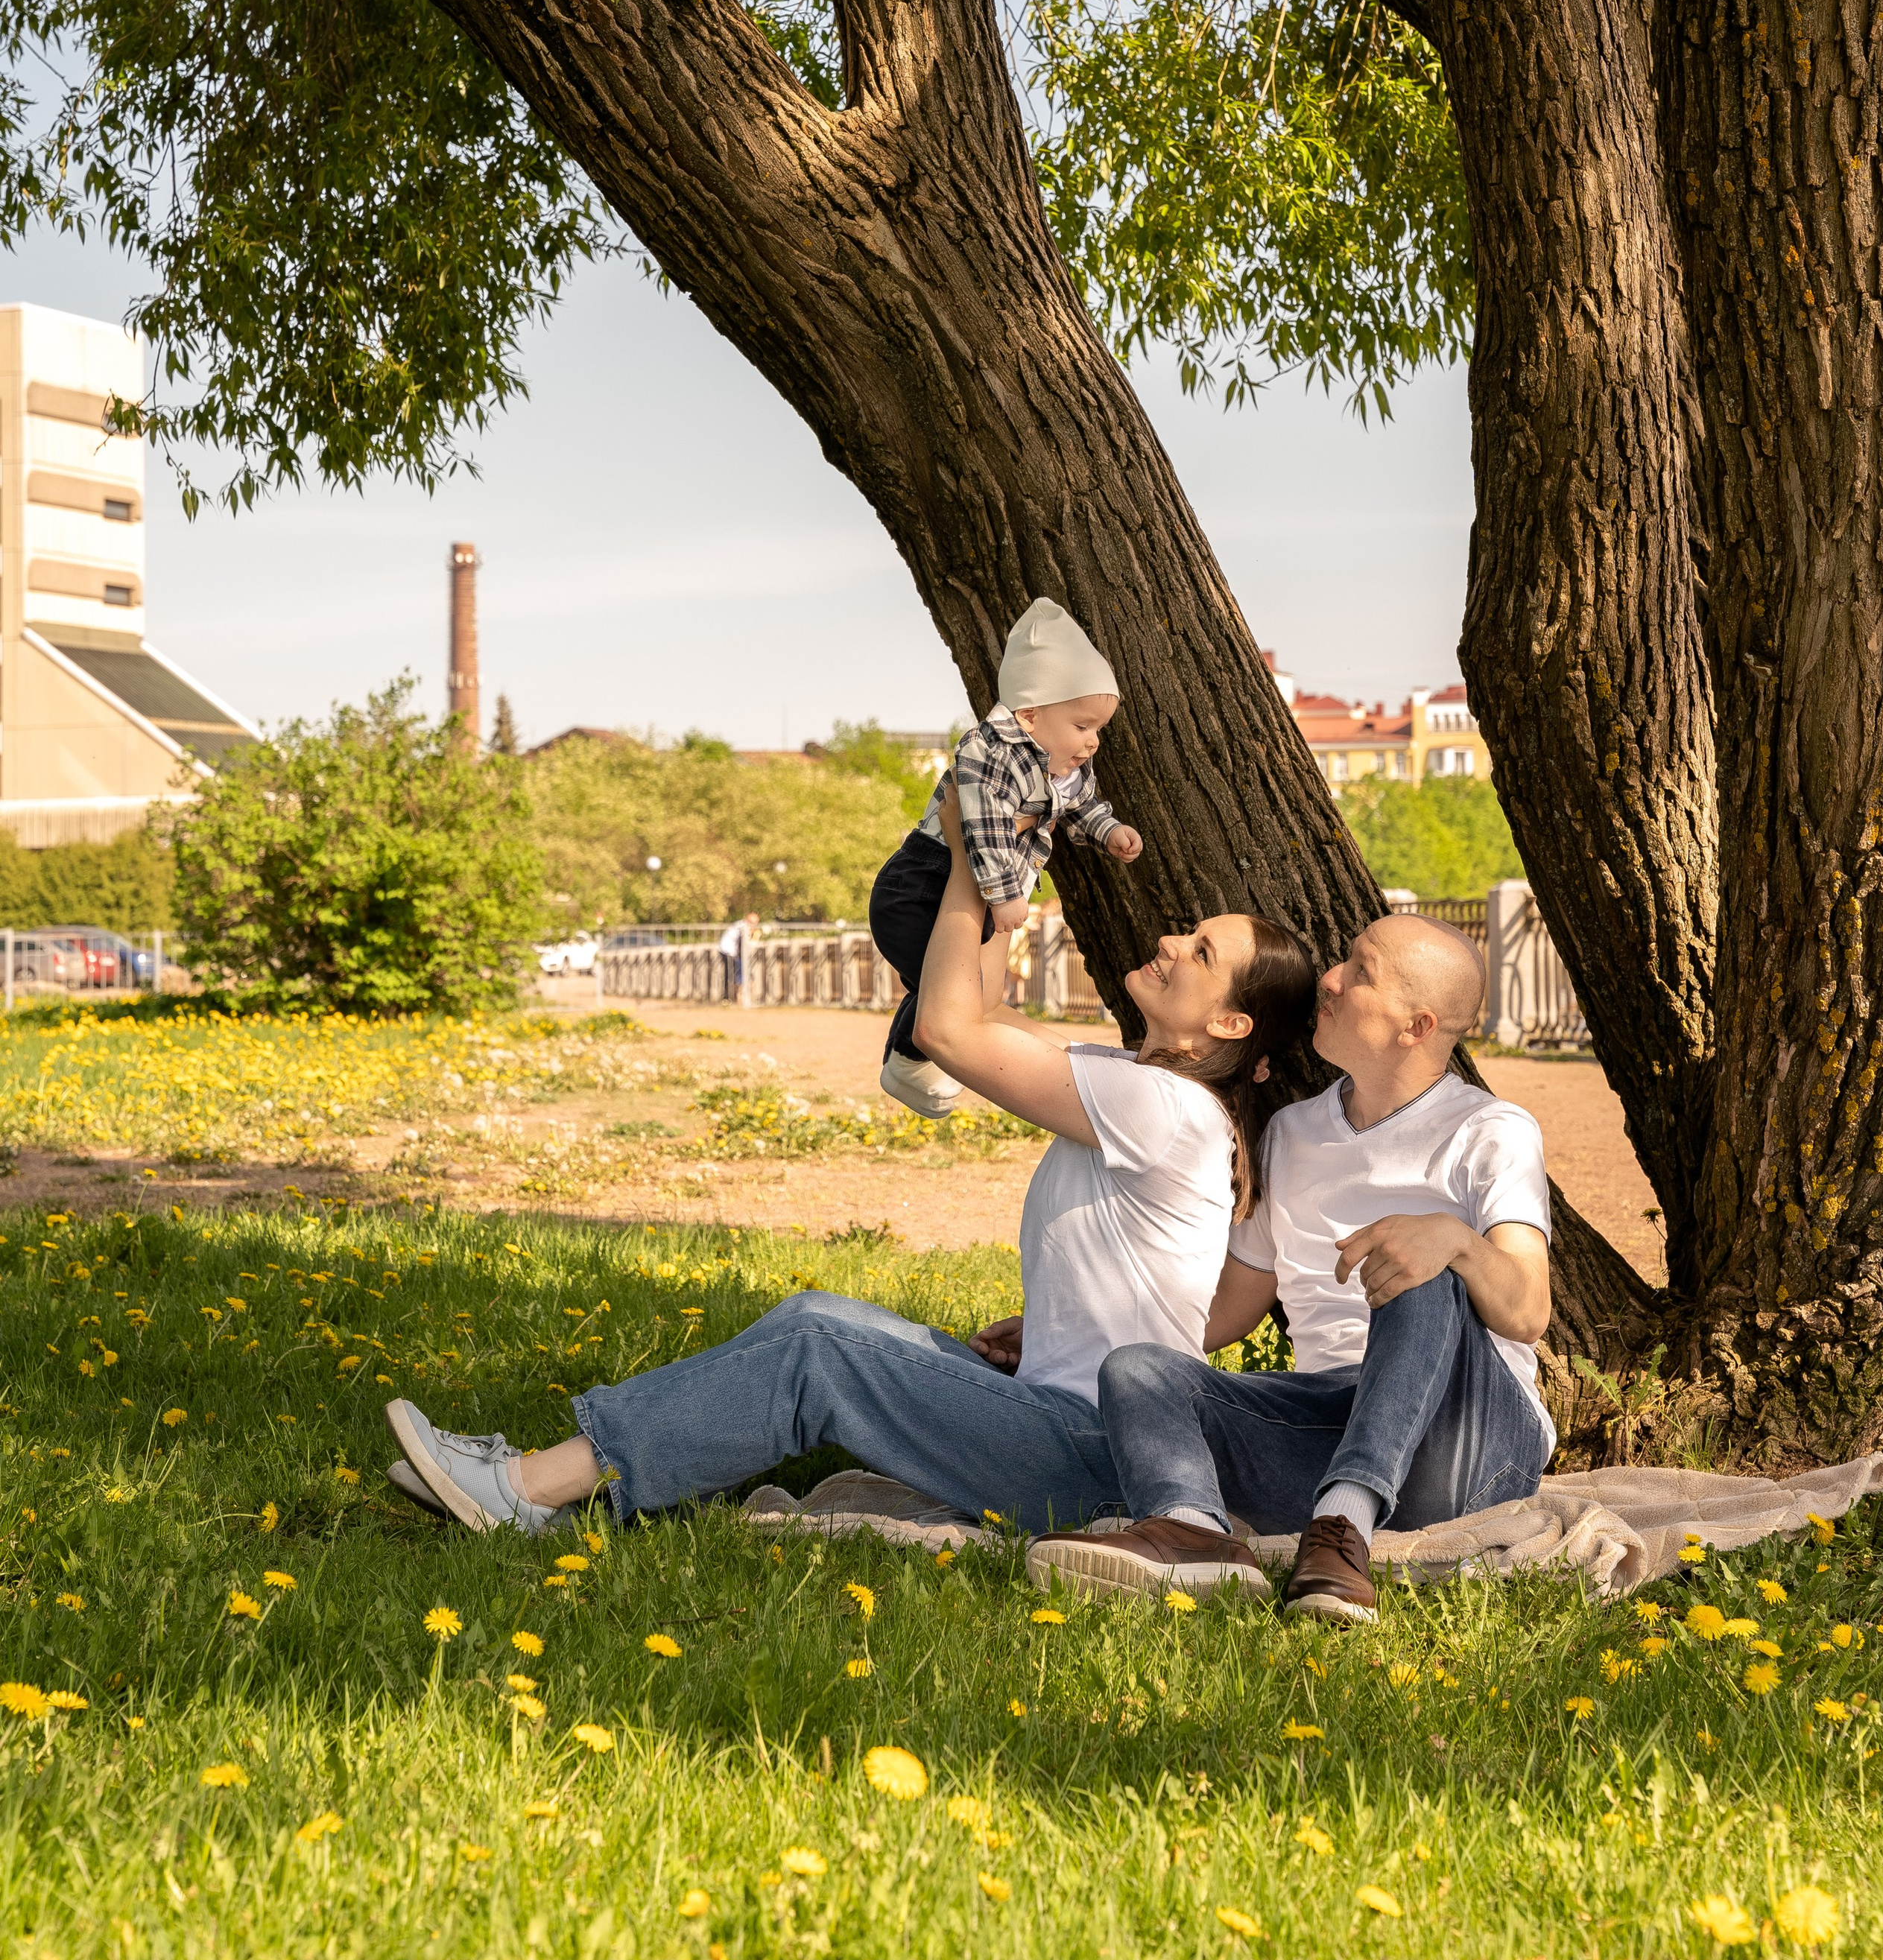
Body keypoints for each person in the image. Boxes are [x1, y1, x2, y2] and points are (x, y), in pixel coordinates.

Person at [382, 795, 1317, 1538]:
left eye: (1199, 951)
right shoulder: (1140, 1085)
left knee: (818, 1356)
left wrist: (965, 850)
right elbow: (982, 1011)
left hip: (1088, 1457)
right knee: (814, 1316)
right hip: (1069, 1418)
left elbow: (949, 1031)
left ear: (1228, 1026)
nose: (1167, 941)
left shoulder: (1167, 1109)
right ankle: (554, 1476)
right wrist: (1059, 1330)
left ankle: (525, 1491)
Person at [1028, 913, 1553, 1623]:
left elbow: (1526, 1312)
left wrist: (1453, 1240)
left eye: (1360, 973)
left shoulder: (1490, 1130)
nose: (1330, 981)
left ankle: (1342, 1526)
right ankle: (1193, 1532)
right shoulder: (1293, 1132)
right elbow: (1230, 1309)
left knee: (1417, 1263)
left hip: (1466, 1442)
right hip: (1323, 1425)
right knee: (1137, 1368)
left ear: (1417, 1026)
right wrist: (1047, 1326)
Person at [868, 597, 1144, 1120]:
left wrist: (1109, 833)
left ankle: (912, 1062)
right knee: (952, 989)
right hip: (922, 884)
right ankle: (909, 1062)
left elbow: (1081, 807)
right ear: (1030, 714)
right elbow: (984, 825)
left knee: (970, 990)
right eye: (1084, 726)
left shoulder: (1064, 766)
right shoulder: (989, 750)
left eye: (1099, 730)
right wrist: (1005, 893)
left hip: (985, 883)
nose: (1093, 743)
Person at [718, 910, 757, 1003]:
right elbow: (742, 944)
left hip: (728, 951)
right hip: (728, 951)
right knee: (731, 974)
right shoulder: (742, 927)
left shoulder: (740, 925)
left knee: (732, 974)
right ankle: (727, 997)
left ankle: (729, 996)